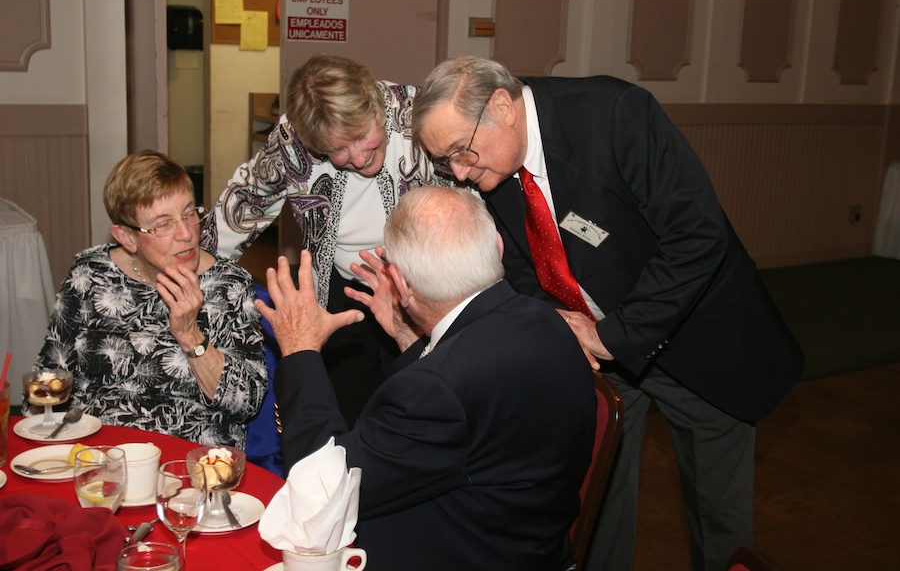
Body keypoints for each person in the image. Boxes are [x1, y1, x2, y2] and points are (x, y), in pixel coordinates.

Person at [412, 56, 805, 571]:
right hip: (602, 352)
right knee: (599, 497)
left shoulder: (615, 114)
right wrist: (561, 327)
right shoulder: (498, 170)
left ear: (503, 107)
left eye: (462, 152)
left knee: (719, 523)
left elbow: (697, 237)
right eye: (447, 163)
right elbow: (527, 267)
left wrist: (613, 336)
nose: (460, 172)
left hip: (696, 338)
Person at [256, 186, 597, 570]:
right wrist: (408, 336)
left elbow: (322, 495)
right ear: (497, 248)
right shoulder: (548, 322)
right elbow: (463, 423)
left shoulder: (439, 389)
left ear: (401, 284)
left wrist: (300, 348)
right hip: (527, 543)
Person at [201, 53, 454, 428]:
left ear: (375, 102)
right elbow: (244, 204)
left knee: (421, 398)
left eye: (361, 136)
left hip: (423, 280)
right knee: (350, 405)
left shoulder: (415, 113)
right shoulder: (293, 139)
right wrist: (187, 260)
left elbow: (468, 198)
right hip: (340, 286)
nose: (357, 157)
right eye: (337, 150)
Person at [34, 150, 267, 448]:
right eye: (163, 224)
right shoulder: (89, 274)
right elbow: (51, 379)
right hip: (98, 454)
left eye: (189, 213)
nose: (186, 233)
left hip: (191, 461)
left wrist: (189, 336)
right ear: (127, 237)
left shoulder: (228, 285)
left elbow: (247, 402)